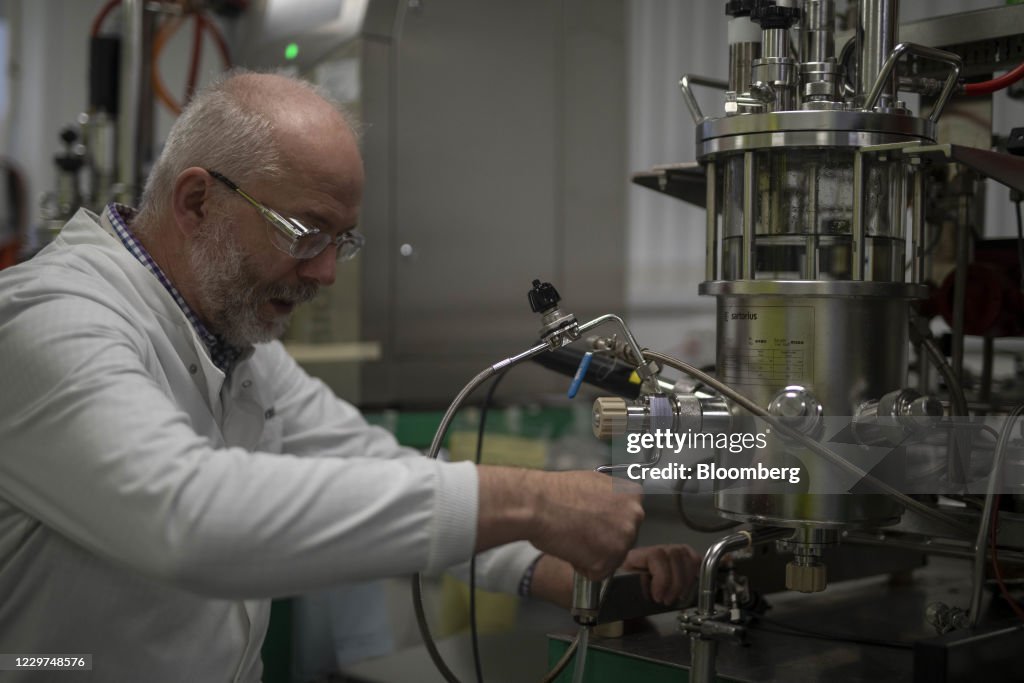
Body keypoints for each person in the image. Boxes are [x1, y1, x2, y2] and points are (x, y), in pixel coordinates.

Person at [0, 70, 699, 681]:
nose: (326, 272)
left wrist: (545, 565)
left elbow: (365, 462)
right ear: (195, 203)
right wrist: (533, 502)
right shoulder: (51, 320)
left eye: (341, 241)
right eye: (304, 233)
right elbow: (189, 516)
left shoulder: (234, 343)